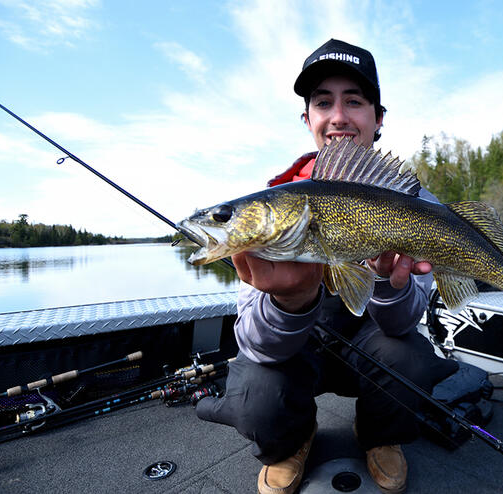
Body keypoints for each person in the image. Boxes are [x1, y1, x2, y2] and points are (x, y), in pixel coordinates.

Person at [195, 39, 458, 494]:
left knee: (410, 356)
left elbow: (404, 322)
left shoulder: (417, 205)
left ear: (378, 119)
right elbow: (257, 346)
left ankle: (380, 438)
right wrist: (291, 301)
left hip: (373, 348)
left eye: (354, 101)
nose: (338, 116)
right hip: (301, 356)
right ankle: (292, 441)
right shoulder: (278, 202)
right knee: (255, 386)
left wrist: (385, 281)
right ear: (308, 119)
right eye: (323, 102)